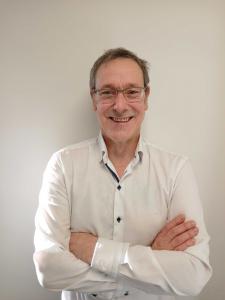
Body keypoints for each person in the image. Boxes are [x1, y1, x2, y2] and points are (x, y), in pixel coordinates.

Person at [33, 48, 212, 300]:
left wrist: (94, 249)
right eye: (107, 92)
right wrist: (151, 257)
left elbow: (194, 275)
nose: (119, 105)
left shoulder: (176, 170)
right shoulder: (63, 165)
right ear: (94, 99)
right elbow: (48, 269)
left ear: (146, 96)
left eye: (131, 92)